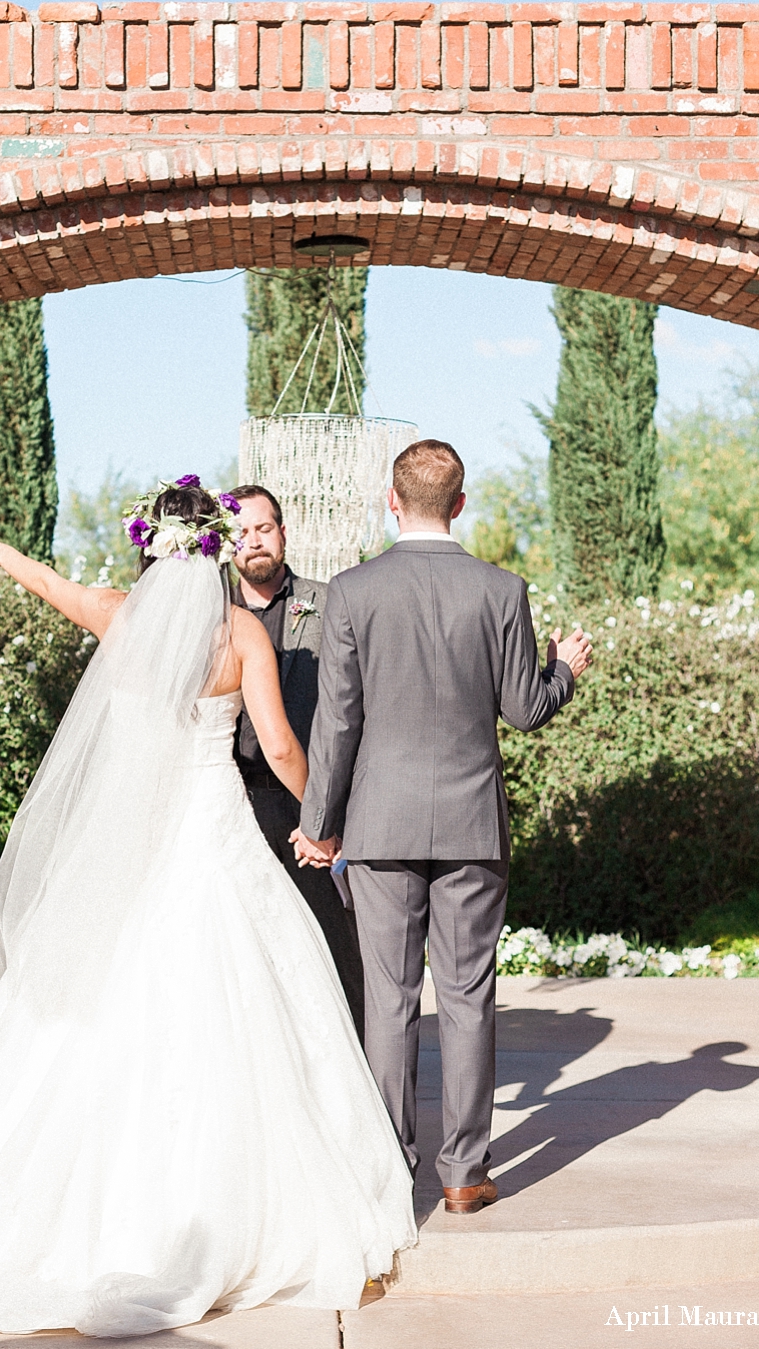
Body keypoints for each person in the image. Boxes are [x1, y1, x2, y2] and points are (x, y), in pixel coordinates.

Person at [0, 478, 416, 1336]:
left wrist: (4, 556)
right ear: (219, 549)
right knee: (254, 995)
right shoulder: (239, 634)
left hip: (142, 837)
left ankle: (86, 1198)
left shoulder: (119, 614)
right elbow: (274, 743)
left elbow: (53, 586)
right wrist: (323, 825)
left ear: (149, 546)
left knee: (117, 996)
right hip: (214, 825)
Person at [292, 440, 591, 1215]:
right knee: (467, 996)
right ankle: (463, 1174)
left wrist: (319, 824)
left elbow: (337, 723)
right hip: (470, 827)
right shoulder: (500, 588)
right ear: (460, 503)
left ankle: (391, 1166)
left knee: (388, 1000)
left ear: (391, 500)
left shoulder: (352, 592)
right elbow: (525, 708)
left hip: (379, 825)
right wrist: (563, 668)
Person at [230, 484, 365, 1036]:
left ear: (283, 533)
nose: (254, 541)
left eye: (264, 528)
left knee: (335, 939)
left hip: (310, 796)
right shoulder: (204, 606)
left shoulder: (331, 599)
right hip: (230, 797)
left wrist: (328, 813)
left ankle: (354, 1058)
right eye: (241, 531)